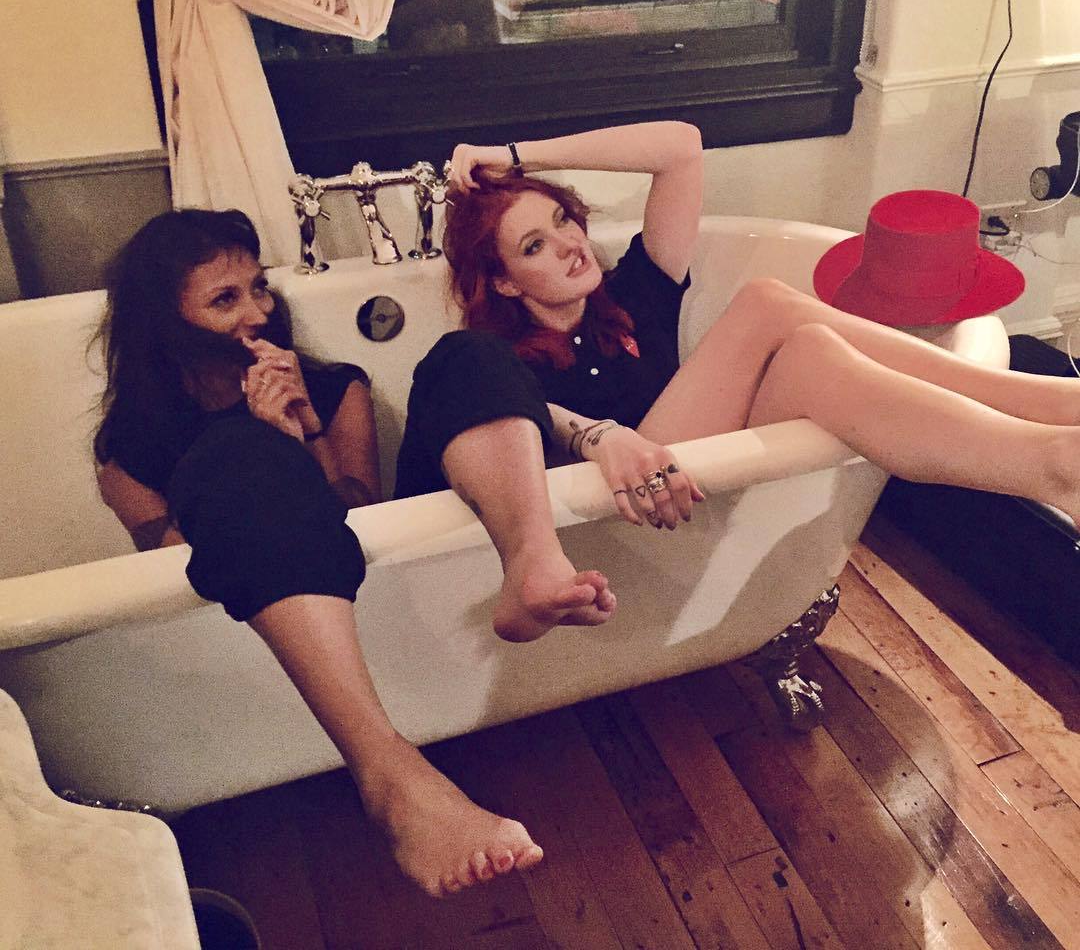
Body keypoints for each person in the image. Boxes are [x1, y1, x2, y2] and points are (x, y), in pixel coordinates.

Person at [395, 120, 1080, 643]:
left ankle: (1054, 457)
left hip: (693, 493)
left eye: (562, 219)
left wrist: (515, 157)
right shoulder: (493, 364)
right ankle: (1048, 418)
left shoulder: (634, 295)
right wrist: (602, 437)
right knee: (766, 303)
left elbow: (681, 147)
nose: (570, 243)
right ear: (506, 283)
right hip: (617, 527)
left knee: (810, 349)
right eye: (534, 246)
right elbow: (502, 410)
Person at [92, 209, 543, 897]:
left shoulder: (334, 390)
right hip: (244, 651)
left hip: (364, 594)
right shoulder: (129, 454)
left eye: (259, 287)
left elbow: (356, 526)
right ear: (166, 324)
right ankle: (389, 773)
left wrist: (302, 437)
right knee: (234, 452)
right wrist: (259, 445)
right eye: (225, 299)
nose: (258, 313)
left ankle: (393, 774)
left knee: (464, 357)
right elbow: (183, 579)